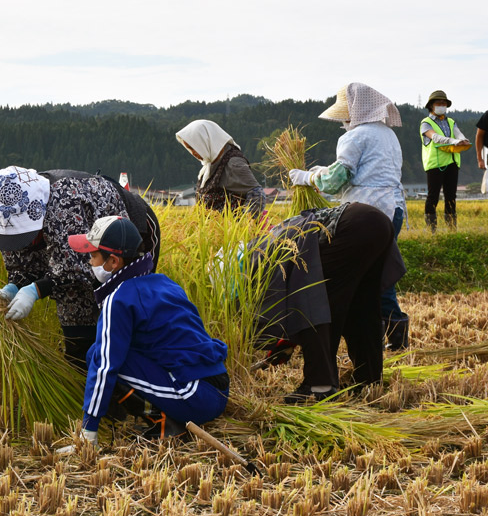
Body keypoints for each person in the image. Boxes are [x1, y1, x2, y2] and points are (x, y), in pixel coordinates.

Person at [64, 216, 228, 443]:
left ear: (113, 262)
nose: (89, 263)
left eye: (93, 256)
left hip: (195, 396)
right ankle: (157, 418)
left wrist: (89, 429)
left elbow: (105, 366)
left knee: (100, 357)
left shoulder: (119, 298)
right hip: (216, 387)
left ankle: (167, 424)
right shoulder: (164, 282)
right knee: (100, 352)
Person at [0, 166, 161, 370]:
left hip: (131, 233)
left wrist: (36, 290)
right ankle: (82, 374)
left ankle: (128, 382)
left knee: (123, 311)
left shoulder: (62, 201)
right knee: (77, 333)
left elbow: (76, 271)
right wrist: (15, 284)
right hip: (86, 252)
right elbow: (24, 263)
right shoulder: (6, 217)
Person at [287, 83, 410, 350]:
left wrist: (307, 177)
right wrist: (326, 169)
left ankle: (372, 335)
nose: (343, 121)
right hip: (394, 208)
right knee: (380, 270)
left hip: (368, 213)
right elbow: (365, 172)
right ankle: (395, 334)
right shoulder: (387, 134)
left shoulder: (354, 137)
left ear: (355, 111)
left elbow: (334, 182)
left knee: (365, 275)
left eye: (345, 115)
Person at [252, 203, 404, 403]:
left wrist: (284, 340)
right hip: (375, 220)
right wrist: (285, 342)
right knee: (361, 309)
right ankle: (369, 380)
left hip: (350, 227)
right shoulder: (264, 244)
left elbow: (295, 308)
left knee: (313, 307)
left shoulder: (255, 262)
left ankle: (319, 386)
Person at [175, 120, 265, 215]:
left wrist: (245, 223)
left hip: (229, 228)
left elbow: (257, 194)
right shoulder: (209, 165)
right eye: (189, 148)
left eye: (194, 147)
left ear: (205, 141)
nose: (193, 153)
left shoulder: (233, 163)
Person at [419, 90, 469, 232]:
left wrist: (463, 140)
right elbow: (435, 138)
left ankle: (452, 229)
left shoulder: (451, 121)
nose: (442, 105)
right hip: (435, 165)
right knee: (433, 197)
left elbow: (458, 133)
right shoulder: (425, 124)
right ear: (431, 106)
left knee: (451, 197)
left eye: (444, 103)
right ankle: (431, 229)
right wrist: (454, 141)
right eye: (438, 103)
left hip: (452, 163)